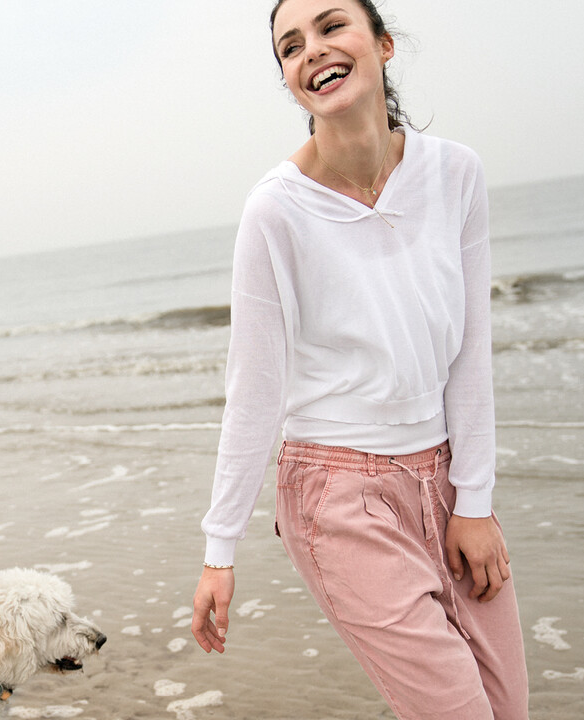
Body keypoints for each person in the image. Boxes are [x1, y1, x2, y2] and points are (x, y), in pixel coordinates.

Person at [190, 1, 529, 718]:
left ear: (382, 45)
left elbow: (471, 355)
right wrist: (221, 548)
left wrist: (475, 501)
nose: (310, 50)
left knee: (507, 709)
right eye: (290, 46)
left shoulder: (455, 175)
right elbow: (254, 389)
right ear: (287, 80)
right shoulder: (275, 211)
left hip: (444, 481)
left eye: (330, 26)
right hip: (339, 498)